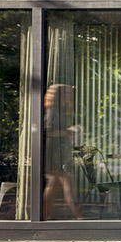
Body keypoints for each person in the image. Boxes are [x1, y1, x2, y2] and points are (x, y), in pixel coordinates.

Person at [42, 84, 84, 219]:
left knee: (53, 186)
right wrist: (69, 131)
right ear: (58, 95)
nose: (69, 96)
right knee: (68, 182)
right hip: (55, 153)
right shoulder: (52, 111)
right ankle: (80, 215)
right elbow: (48, 131)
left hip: (58, 152)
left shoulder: (60, 111)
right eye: (66, 93)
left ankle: (45, 215)